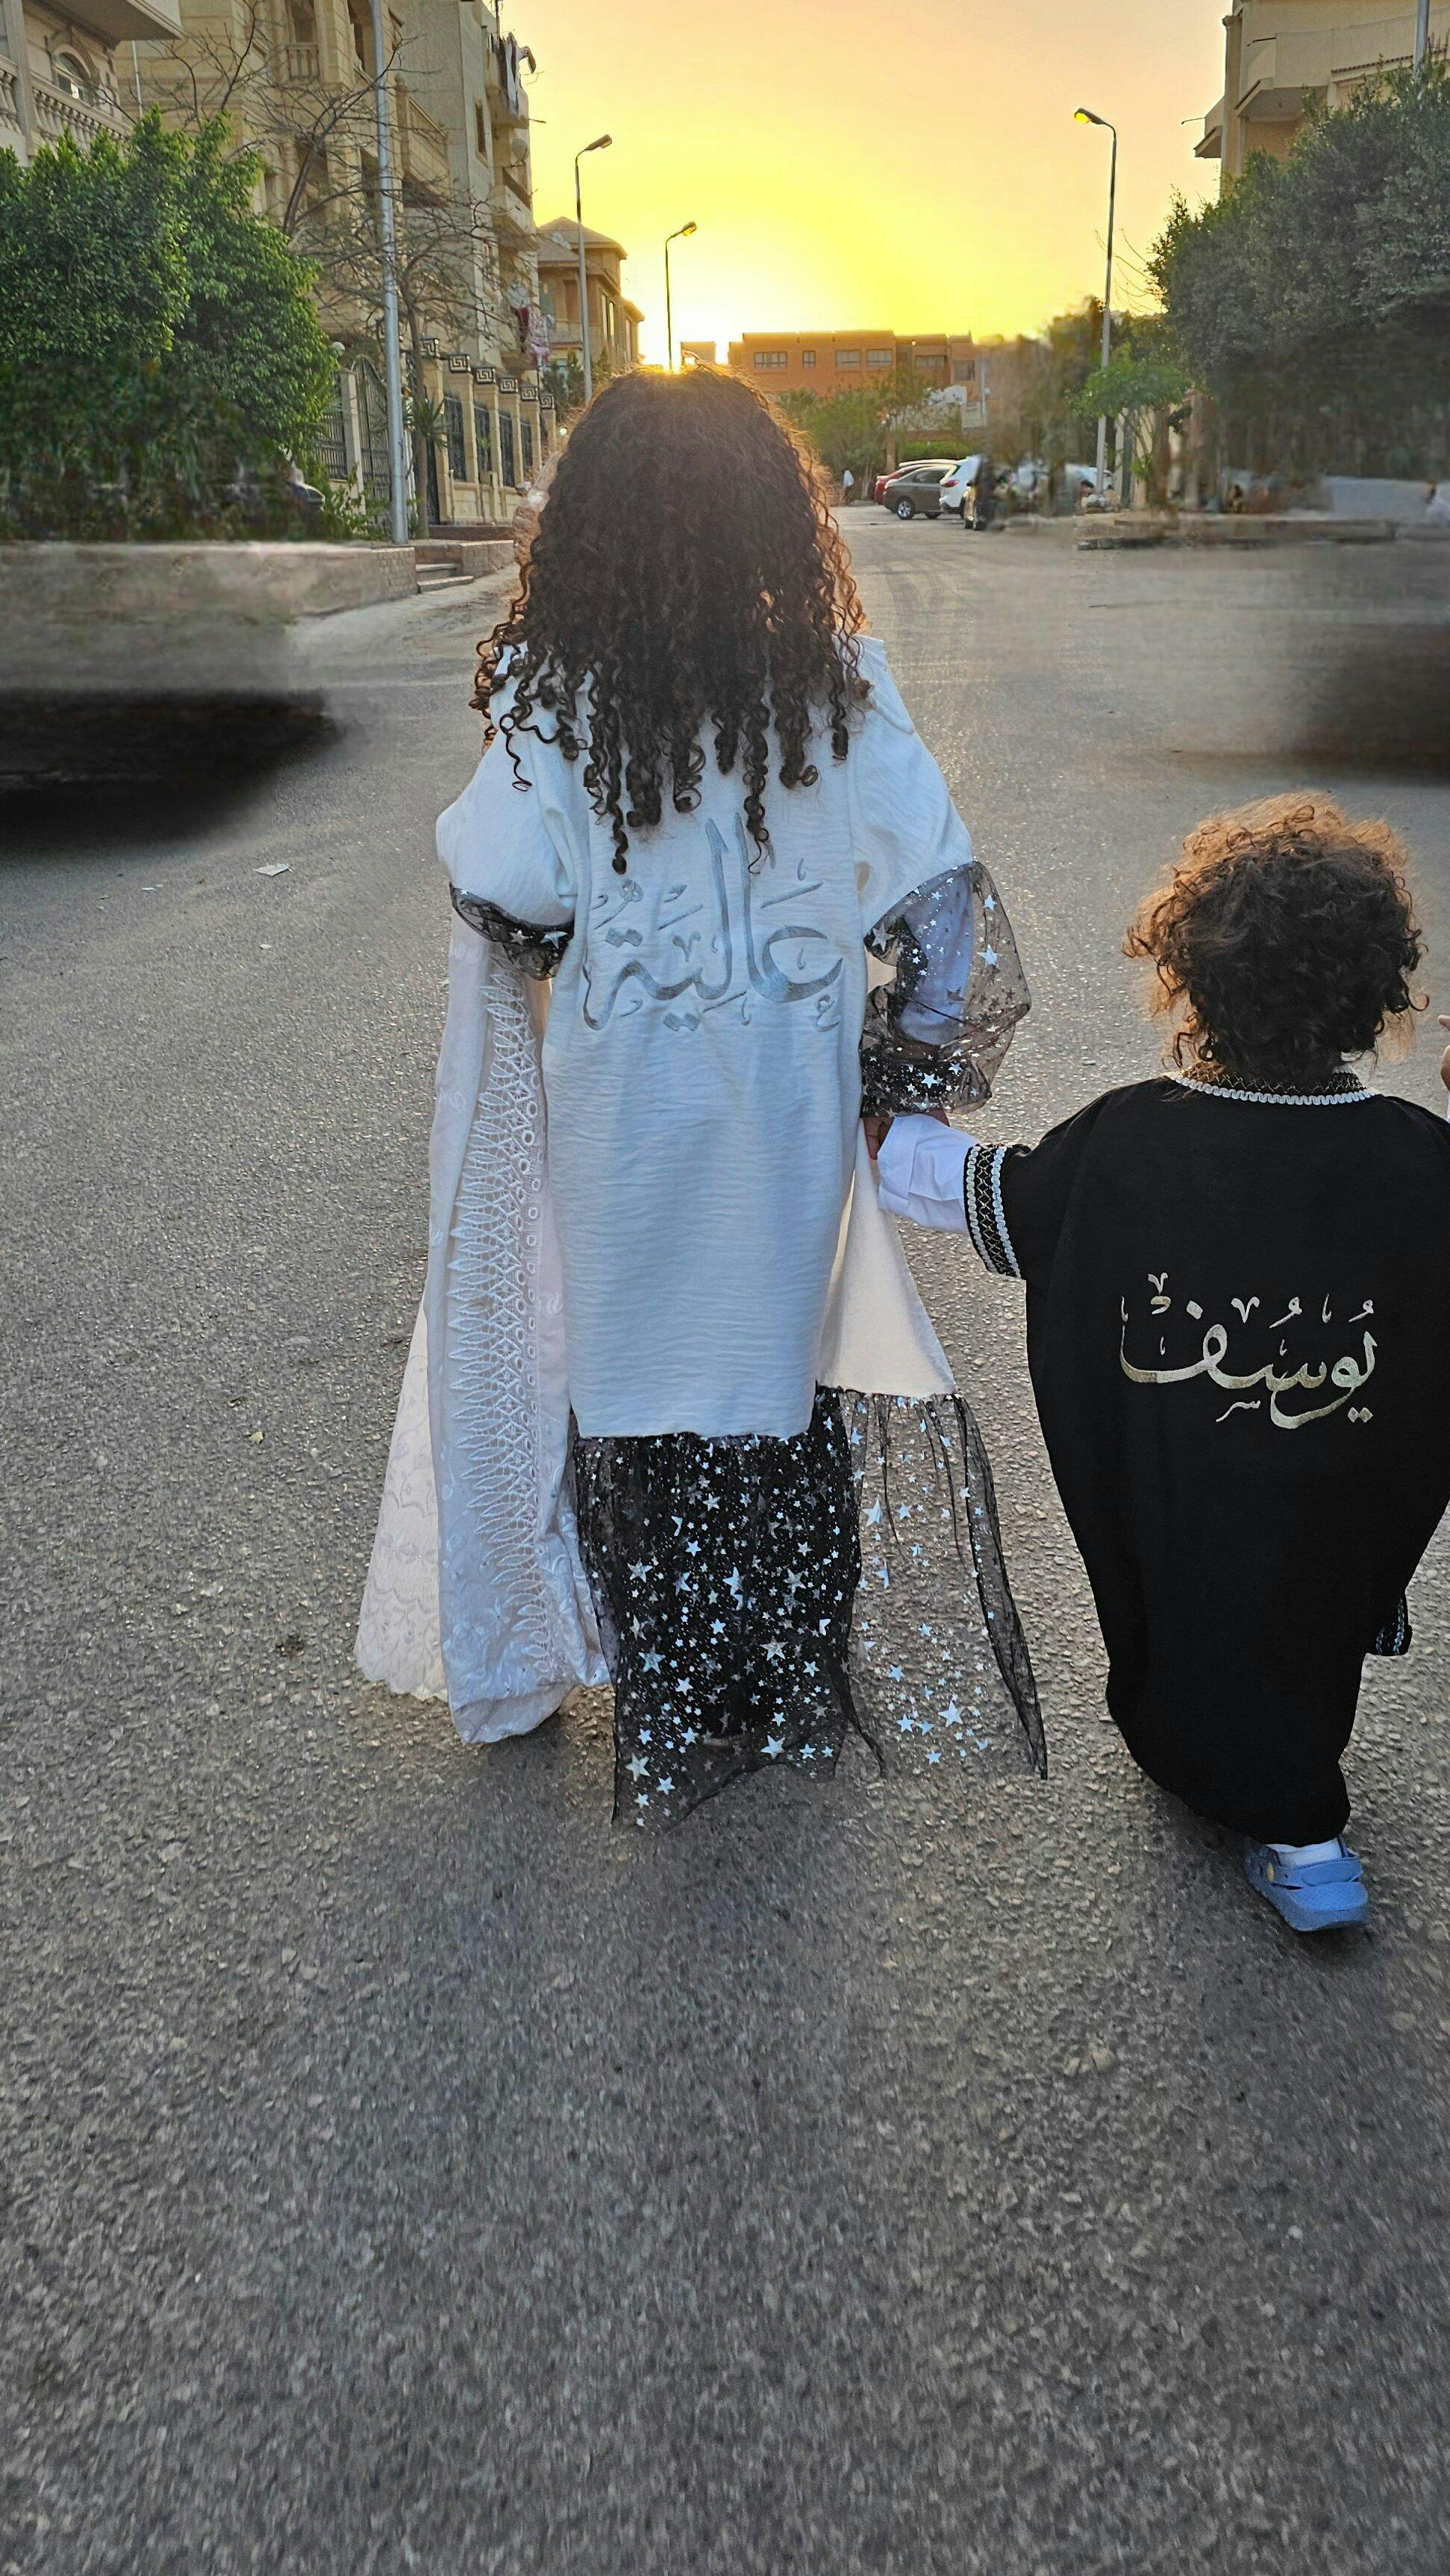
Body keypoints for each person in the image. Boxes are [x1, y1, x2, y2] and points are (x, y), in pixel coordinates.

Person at [357, 366, 1043, 1823]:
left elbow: (504, 884)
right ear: (772, 517)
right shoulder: (840, 689)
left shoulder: (554, 700)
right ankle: (776, 1683)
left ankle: (676, 1687)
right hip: (786, 1140)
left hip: (627, 1143)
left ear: (588, 525)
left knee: (645, 1405)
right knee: (777, 1387)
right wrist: (896, 1081)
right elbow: (950, 923)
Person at [876, 795, 1450, 1934]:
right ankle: (1293, 1814)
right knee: (1298, 1634)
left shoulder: (1128, 1143)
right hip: (1337, 1492)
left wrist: (889, 1122)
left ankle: (1303, 1833)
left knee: (1194, 1634)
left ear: (1187, 977)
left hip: (1183, 1498)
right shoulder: (1412, 1160)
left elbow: (981, 1195)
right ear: (1377, 992)